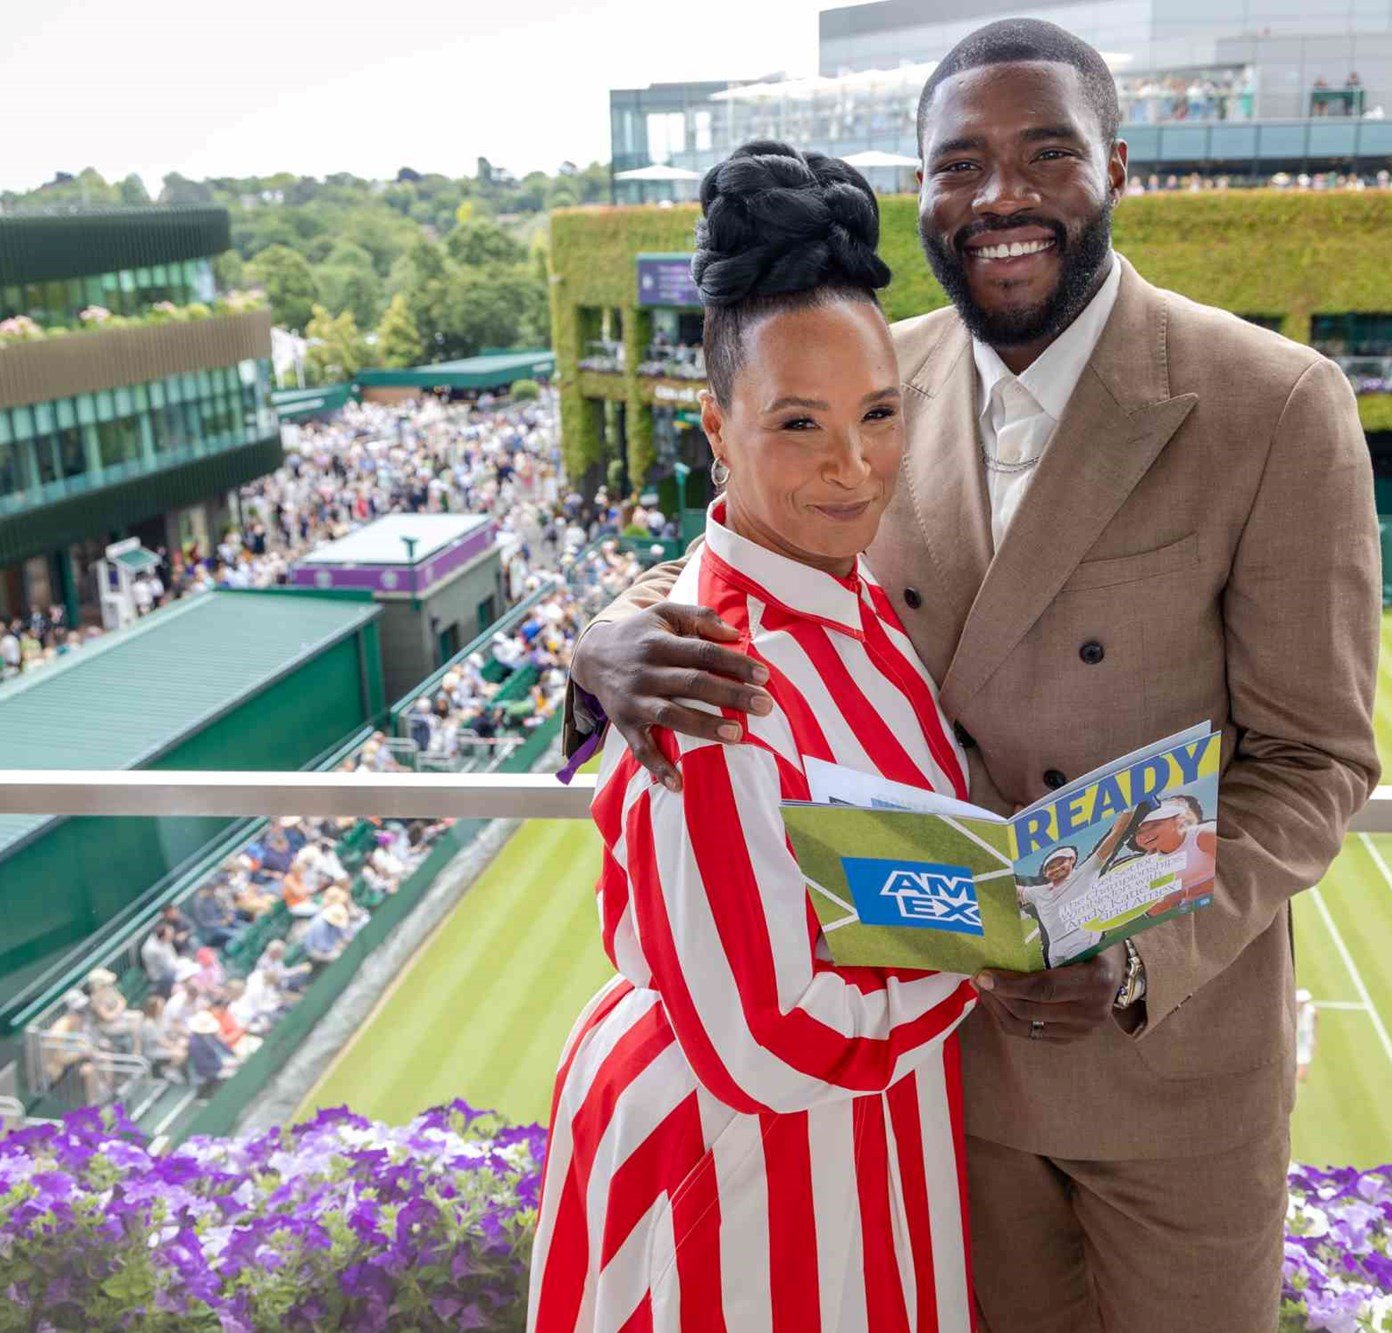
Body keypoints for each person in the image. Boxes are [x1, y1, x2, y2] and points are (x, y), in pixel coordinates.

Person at [564, 21, 1379, 1329]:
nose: (1003, 193)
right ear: (925, 196)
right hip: (954, 1083)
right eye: (962, 164)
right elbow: (761, 534)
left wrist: (1132, 959)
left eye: (1047, 151)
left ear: (1116, 167)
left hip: (1165, 1067)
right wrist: (603, 638)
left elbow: (1317, 762)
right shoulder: (883, 377)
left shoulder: (1274, 404)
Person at [530, 142, 979, 1332]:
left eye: (877, 414)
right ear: (716, 429)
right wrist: (999, 952)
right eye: (797, 424)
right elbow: (771, 1041)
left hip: (858, 1155)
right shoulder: (713, 679)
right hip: (744, 1189)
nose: (852, 465)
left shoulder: (852, 590)